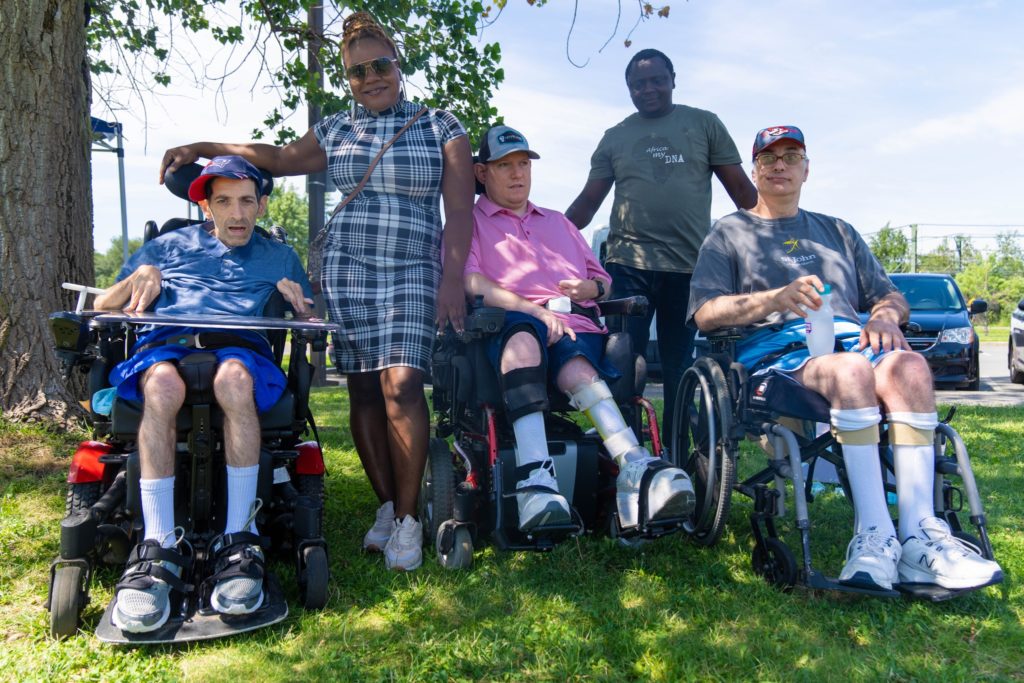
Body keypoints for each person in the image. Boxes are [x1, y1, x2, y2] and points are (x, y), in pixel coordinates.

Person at [159, 12, 475, 572]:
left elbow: (458, 212)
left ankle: (408, 521)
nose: (370, 78)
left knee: (402, 386)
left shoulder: (441, 126)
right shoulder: (336, 130)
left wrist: (452, 280)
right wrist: (202, 145)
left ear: (398, 66)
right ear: (347, 79)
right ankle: (385, 505)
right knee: (363, 395)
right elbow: (277, 158)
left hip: (412, 274)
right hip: (348, 272)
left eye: (380, 66)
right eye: (357, 72)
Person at [687, 125, 1003, 591]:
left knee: (911, 366)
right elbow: (706, 313)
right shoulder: (730, 233)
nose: (780, 165)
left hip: (852, 342)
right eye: (769, 158)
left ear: (806, 169)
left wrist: (886, 318)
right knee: (851, 370)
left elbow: (890, 295)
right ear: (754, 170)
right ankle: (873, 534)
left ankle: (919, 534)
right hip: (778, 353)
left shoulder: (838, 231)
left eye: (791, 156)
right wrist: (775, 298)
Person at [94, 155, 314, 632]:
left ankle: (240, 536)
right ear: (206, 206)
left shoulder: (280, 255)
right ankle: (158, 545)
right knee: (162, 384)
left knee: (233, 378)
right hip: (167, 347)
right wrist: (137, 279)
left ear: (261, 205)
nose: (236, 214)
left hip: (239, 349)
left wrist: (299, 304)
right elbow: (100, 304)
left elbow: (310, 316)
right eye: (224, 202)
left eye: (246, 202)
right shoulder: (167, 246)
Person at [464, 125, 695, 533]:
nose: (518, 174)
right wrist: (532, 311)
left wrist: (592, 287)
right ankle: (536, 480)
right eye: (505, 166)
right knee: (524, 339)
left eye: (523, 164)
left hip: (573, 324)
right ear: (483, 173)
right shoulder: (471, 223)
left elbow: (603, 281)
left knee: (576, 364)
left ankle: (634, 464)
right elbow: (473, 284)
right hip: (508, 323)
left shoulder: (559, 223)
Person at [565, 48, 757, 443]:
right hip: (627, 264)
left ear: (673, 79)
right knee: (625, 363)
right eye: (638, 84)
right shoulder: (615, 138)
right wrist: (545, 236)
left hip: (688, 268)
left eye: (656, 80)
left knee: (677, 366)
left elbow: (740, 190)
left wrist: (772, 234)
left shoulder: (703, 125)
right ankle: (626, 452)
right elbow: (588, 203)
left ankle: (674, 453)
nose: (647, 89)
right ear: (628, 89)